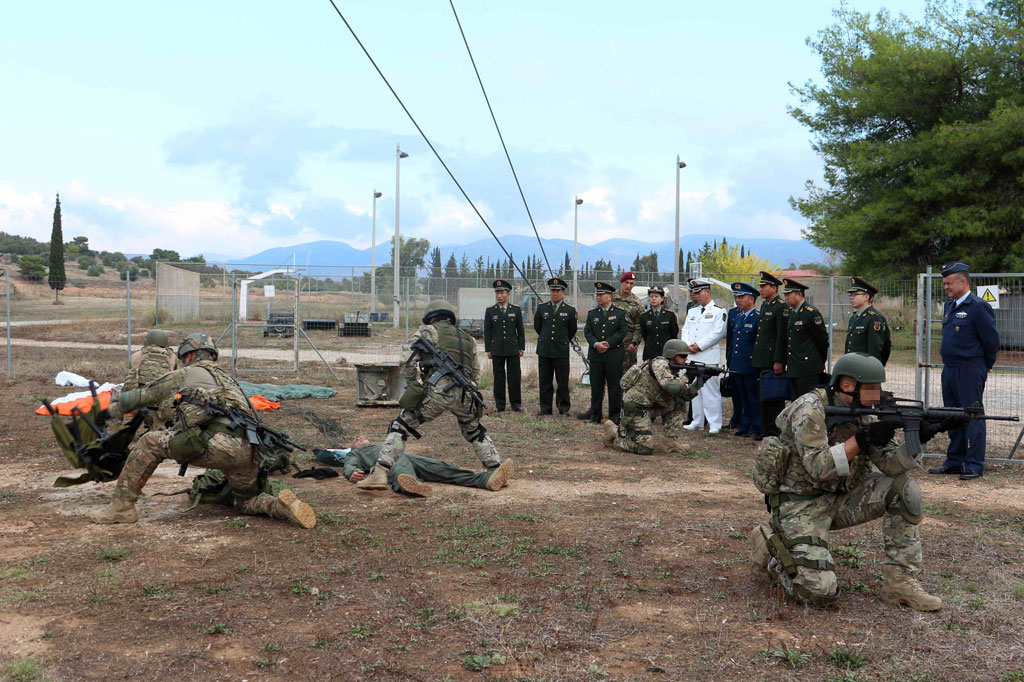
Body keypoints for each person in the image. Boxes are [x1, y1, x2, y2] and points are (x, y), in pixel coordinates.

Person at [749, 353, 943, 611]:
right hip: (800, 505)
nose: (878, 394)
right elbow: (818, 467)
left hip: (841, 497)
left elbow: (890, 465)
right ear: (847, 386)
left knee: (904, 489)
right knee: (818, 592)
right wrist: (861, 441)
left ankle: (900, 582)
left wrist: (917, 439)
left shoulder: (864, 411)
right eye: (873, 388)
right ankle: (771, 548)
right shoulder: (809, 410)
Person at [89, 333, 316, 529]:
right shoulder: (230, 381)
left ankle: (121, 507)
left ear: (188, 355)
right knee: (247, 501)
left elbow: (141, 396)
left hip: (216, 443)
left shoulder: (187, 373)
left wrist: (111, 410)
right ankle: (279, 506)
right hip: (248, 450)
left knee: (149, 442)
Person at [357, 300, 502, 490]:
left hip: (437, 392)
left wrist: (415, 386)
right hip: (465, 393)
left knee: (400, 426)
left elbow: (406, 361)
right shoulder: (468, 339)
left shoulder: (427, 332)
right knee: (474, 430)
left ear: (432, 318)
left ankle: (380, 473)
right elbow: (475, 373)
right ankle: (496, 468)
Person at [928, 261, 999, 480]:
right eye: (945, 283)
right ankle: (955, 461)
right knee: (952, 416)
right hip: (950, 369)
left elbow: (991, 341)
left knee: (973, 416)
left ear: (963, 281)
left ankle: (975, 464)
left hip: (970, 369)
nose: (946, 287)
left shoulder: (978, 306)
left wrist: (984, 366)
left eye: (949, 283)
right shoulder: (950, 306)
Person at [601, 339, 700, 454]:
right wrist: (687, 377)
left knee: (679, 402)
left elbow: (684, 396)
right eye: (683, 356)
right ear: (672, 355)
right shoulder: (659, 364)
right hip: (637, 407)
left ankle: (670, 443)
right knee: (645, 448)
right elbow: (673, 387)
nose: (686, 359)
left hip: (651, 405)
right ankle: (614, 432)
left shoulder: (672, 370)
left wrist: (699, 383)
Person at [343, 437, 515, 497]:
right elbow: (349, 464)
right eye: (356, 439)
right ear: (353, 447)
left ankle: (487, 479)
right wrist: (352, 473)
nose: (360, 437)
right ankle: (412, 485)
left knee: (443, 469)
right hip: (390, 462)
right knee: (401, 465)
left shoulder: (384, 442)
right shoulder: (356, 453)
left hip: (412, 458)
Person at [681, 279, 727, 434]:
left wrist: (699, 345)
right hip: (692, 356)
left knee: (710, 391)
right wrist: (687, 345)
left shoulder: (719, 311)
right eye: (694, 293)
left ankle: (714, 423)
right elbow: (685, 330)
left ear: (707, 292)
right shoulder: (693, 311)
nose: (696, 295)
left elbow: (717, 333)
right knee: (695, 390)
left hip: (707, 356)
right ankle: (697, 420)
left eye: (699, 292)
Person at [584, 282, 629, 425]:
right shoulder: (592, 314)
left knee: (614, 387)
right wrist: (596, 344)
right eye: (597, 295)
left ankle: (614, 416)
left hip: (613, 355)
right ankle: (595, 415)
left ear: (609, 296)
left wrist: (608, 343)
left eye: (601, 294)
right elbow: (588, 332)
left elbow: (622, 331)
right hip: (596, 355)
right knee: (596, 387)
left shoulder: (620, 313)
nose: (598, 297)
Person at [534, 276, 577, 416]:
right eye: (553, 290)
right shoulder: (542, 308)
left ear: (563, 292)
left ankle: (563, 408)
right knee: (545, 381)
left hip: (561, 350)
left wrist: (561, 340)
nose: (555, 293)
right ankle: (545, 408)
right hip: (545, 350)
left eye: (558, 291)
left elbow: (572, 330)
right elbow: (538, 327)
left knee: (562, 382)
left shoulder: (570, 310)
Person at [752, 271, 788, 439]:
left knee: (774, 397)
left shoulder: (780, 306)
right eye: (760, 286)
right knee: (764, 397)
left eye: (764, 286)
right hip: (762, 359)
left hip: (772, 360)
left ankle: (775, 432)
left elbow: (781, 336)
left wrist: (778, 360)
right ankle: (766, 430)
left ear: (774, 287)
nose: (761, 289)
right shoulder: (766, 305)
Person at [726, 283, 762, 438]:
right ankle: (744, 424)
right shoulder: (739, 316)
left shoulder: (757, 318)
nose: (738, 300)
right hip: (738, 364)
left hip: (750, 365)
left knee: (753, 397)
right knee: (742, 397)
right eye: (736, 297)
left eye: (741, 297)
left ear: (752, 299)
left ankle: (755, 426)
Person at [484, 279, 525, 413]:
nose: (499, 296)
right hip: (497, 349)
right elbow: (487, 331)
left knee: (514, 377)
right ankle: (500, 405)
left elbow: (520, 330)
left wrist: (521, 347)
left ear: (508, 294)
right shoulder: (490, 311)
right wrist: (488, 349)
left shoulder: (516, 310)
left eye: (502, 293)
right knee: (499, 378)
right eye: (497, 293)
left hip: (512, 349)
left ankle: (516, 404)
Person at [783, 278, 829, 398]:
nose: (786, 297)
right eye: (785, 294)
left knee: (807, 404)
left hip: (808, 369)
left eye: (789, 294)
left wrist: (817, 362)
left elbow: (822, 341)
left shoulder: (811, 313)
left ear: (799, 294)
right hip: (794, 368)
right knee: (795, 403)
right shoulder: (792, 313)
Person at [845, 277, 892, 365]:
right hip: (852, 366)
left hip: (865, 368)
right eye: (850, 295)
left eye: (855, 294)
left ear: (866, 297)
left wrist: (874, 367)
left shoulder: (874, 318)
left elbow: (876, 349)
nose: (851, 297)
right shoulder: (854, 318)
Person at [612, 272, 644, 373]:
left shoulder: (636, 302)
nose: (628, 286)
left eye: (631, 283)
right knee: (611, 373)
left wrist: (634, 343)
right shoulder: (611, 298)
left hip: (628, 343)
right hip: (611, 341)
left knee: (628, 375)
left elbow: (639, 326)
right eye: (626, 282)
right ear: (622, 282)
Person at [639, 285, 679, 361]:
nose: (653, 299)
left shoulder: (670, 315)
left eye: (656, 296)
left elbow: (673, 334)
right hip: (650, 352)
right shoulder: (644, 316)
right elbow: (645, 335)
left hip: (665, 352)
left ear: (662, 299)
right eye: (651, 297)